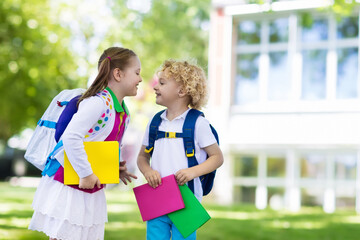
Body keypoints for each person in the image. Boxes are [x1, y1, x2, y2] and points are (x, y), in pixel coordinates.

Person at [28, 47, 140, 240]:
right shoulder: (98, 103)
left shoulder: (122, 111)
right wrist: (86, 173)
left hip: (89, 186)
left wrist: (112, 167)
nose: (140, 79)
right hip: (70, 183)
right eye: (137, 73)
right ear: (118, 74)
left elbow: (97, 143)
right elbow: (71, 137)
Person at [137, 59, 224, 240]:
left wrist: (192, 172)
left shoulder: (198, 124)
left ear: (182, 91)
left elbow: (217, 157)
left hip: (187, 199)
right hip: (157, 196)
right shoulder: (155, 122)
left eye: (162, 83)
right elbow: (142, 157)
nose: (155, 87)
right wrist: (148, 171)